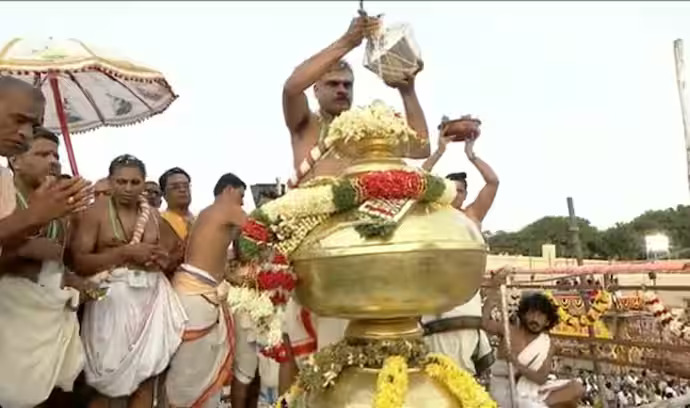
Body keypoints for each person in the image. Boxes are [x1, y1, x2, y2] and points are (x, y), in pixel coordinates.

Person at [278, 15, 431, 393]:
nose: (342, 90)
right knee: (308, 361)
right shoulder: (306, 127)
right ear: (317, 90)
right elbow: (291, 86)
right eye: (332, 84)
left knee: (362, 358)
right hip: (314, 256)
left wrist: (408, 90)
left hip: (361, 257)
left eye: (347, 84)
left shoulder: (368, 130)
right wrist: (349, 40)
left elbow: (421, 147)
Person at [71, 154, 187, 408]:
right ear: (111, 182)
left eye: (135, 182)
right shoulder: (96, 213)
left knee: (147, 378)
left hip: (151, 300)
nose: (128, 188)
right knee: (106, 384)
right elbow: (79, 262)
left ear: (143, 183)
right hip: (111, 303)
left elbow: (177, 250)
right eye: (121, 182)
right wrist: (124, 253)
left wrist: (161, 258)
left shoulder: (153, 215)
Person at [0, 127, 89, 408]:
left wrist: (73, 280)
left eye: (56, 155)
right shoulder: (4, 196)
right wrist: (22, 250)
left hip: (49, 316)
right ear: (15, 161)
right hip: (9, 318)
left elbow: (59, 262)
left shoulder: (60, 208)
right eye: (42, 154)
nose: (53, 161)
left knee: (54, 394)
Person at [420, 119, 500, 377]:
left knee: (466, 372)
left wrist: (471, 154)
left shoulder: (472, 216)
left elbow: (493, 182)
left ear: (466, 194)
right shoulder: (431, 215)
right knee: (436, 370)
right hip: (437, 298)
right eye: (451, 190)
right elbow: (416, 179)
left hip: (468, 298)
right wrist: (439, 151)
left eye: (461, 191)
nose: (457, 194)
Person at [166, 173, 248, 408]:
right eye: (241, 195)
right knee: (191, 367)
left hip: (196, 293)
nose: (242, 202)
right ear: (229, 190)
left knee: (198, 364)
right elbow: (262, 229)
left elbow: (234, 251)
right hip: (195, 295)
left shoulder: (207, 213)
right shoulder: (227, 208)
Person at [0, 76, 91, 249]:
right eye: (19, 120)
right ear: (15, 162)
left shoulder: (2, 177)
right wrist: (33, 216)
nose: (27, 134)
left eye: (34, 127)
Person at [483, 287, 585, 408]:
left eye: (540, 316)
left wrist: (516, 364)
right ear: (524, 314)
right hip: (504, 387)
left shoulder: (547, 344)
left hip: (531, 387)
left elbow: (541, 378)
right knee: (529, 405)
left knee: (576, 388)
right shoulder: (509, 330)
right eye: (532, 313)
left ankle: (539, 404)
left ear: (547, 321)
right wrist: (490, 300)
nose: (535, 319)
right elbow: (484, 323)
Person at [159, 167, 194, 241]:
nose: (182, 190)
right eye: (175, 187)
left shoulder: (201, 220)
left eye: (186, 186)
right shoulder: (158, 221)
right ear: (164, 194)